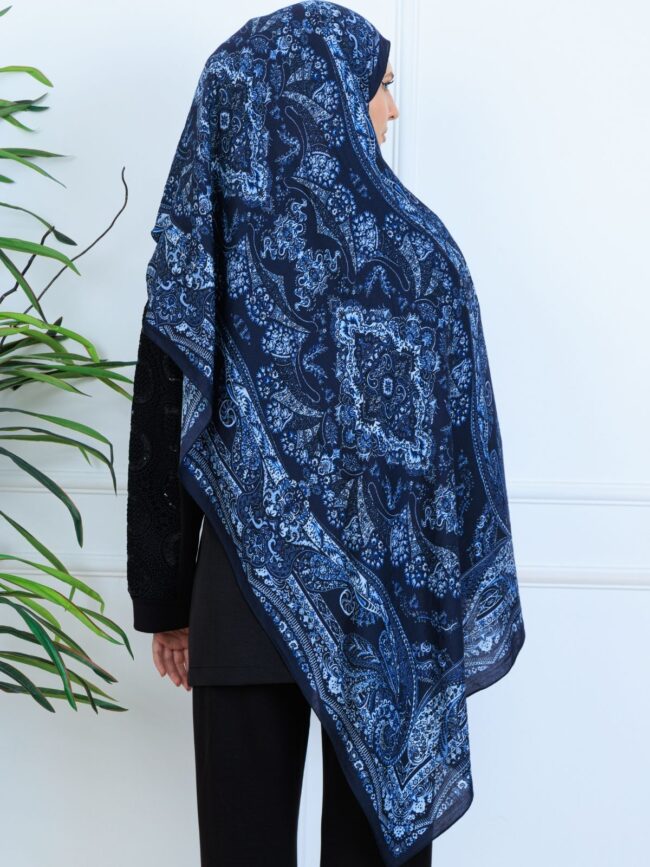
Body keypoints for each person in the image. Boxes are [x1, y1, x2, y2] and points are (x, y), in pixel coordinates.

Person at [127, 3, 526, 866]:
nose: (392, 109)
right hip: (393, 624)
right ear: (328, 96)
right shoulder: (428, 258)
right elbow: (460, 457)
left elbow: (161, 408)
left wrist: (167, 600)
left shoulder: (208, 247)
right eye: (381, 87)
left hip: (241, 598)